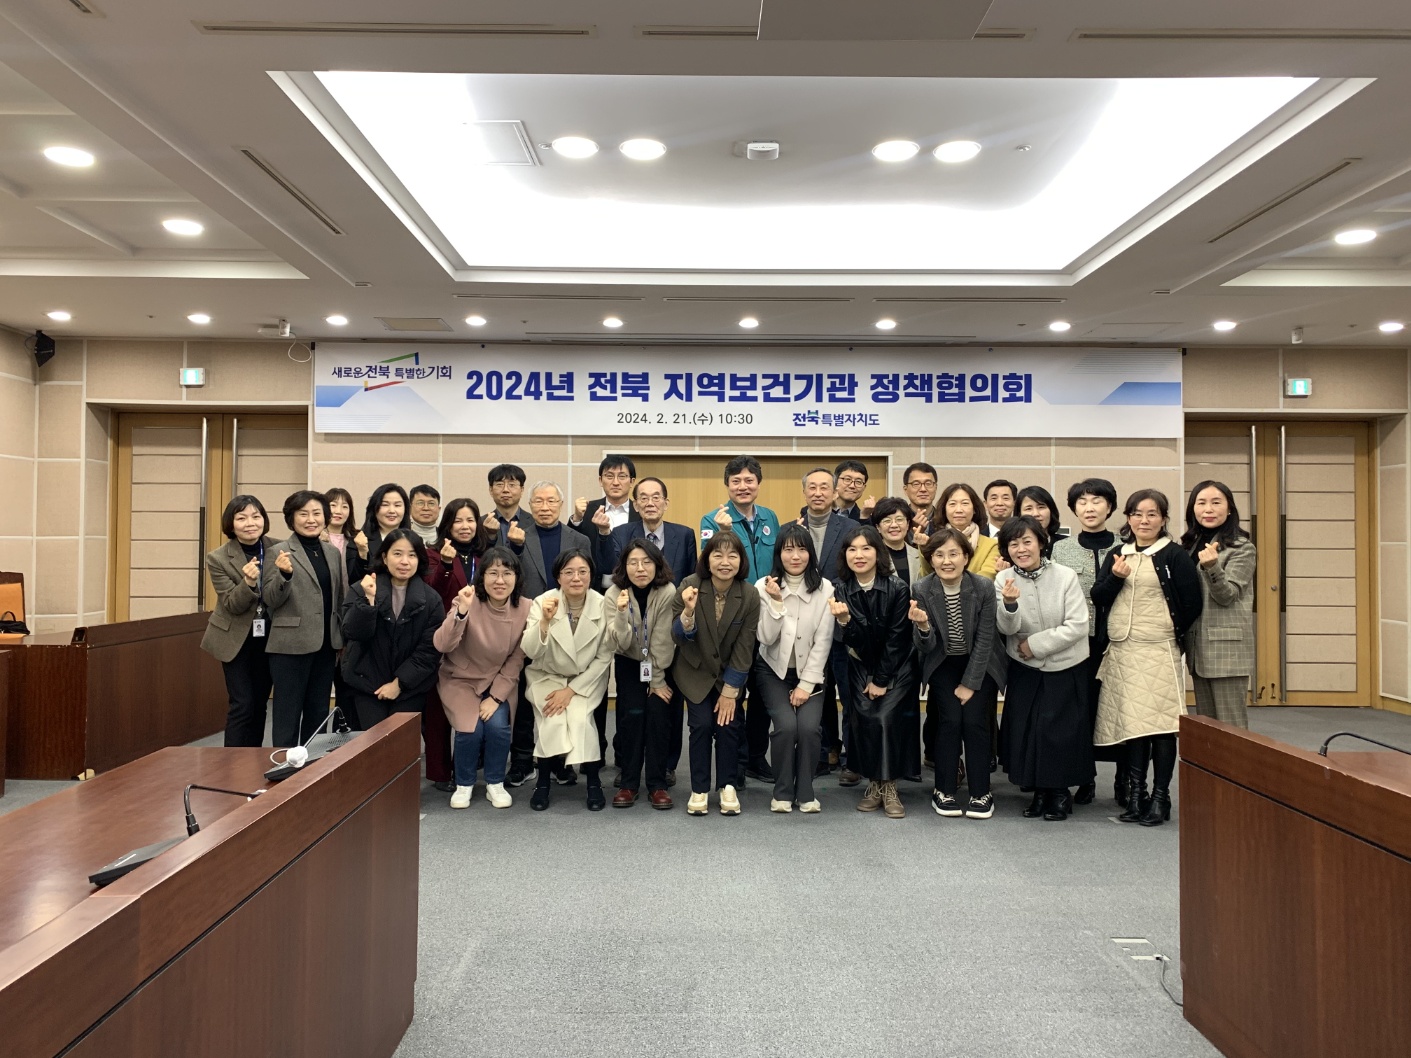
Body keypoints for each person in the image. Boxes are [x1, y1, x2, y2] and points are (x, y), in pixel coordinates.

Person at [1091, 489, 1203, 828]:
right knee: (1134, 728)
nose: (1144, 520)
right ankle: (1136, 796)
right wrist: (1116, 577)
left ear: (1164, 519)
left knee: (1162, 727)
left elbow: (1191, 604)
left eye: (1152, 514)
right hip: (1123, 651)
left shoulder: (1175, 555)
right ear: (1128, 518)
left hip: (1158, 649)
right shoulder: (1118, 553)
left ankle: (1160, 798)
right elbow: (1098, 596)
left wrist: (1167, 630)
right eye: (1137, 514)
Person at [591, 475, 696, 786]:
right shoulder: (621, 534)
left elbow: (690, 577)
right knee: (630, 710)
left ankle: (665, 768)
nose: (650, 503)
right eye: (644, 498)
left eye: (656, 497)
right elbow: (610, 570)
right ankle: (628, 767)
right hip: (631, 649)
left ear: (666, 502)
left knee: (666, 710)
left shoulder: (683, 534)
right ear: (635, 504)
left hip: (668, 641)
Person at [994, 517, 1093, 822]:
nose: (1021, 549)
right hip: (1025, 668)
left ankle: (1060, 793)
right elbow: (1006, 628)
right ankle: (1039, 792)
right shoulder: (1003, 579)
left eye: (1027, 541)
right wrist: (1009, 604)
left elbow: (1078, 625)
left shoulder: (1065, 575)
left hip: (1066, 664)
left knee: (1059, 731)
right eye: (1013, 544)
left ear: (1041, 542)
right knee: (1029, 730)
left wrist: (1036, 645)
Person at [911, 527, 1007, 819]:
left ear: (966, 557)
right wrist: (923, 627)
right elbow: (926, 646)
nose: (947, 561)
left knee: (976, 721)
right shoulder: (922, 588)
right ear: (931, 559)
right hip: (943, 663)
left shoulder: (983, 587)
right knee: (950, 721)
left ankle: (981, 792)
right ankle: (944, 790)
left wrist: (970, 683)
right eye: (939, 555)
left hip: (980, 662)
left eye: (954, 554)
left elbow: (986, 639)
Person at [503, 481, 591, 787]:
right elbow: (504, 573)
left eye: (551, 501)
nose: (545, 507)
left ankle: (558, 761)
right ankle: (522, 760)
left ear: (560, 504)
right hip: (529, 626)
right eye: (538, 501)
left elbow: (586, 580)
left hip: (568, 629)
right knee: (525, 698)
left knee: (558, 697)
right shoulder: (516, 535)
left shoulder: (578, 539)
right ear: (530, 505)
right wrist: (514, 548)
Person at [699, 454, 779, 785]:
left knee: (764, 691)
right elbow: (708, 563)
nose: (743, 486)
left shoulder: (770, 517)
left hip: (768, 614)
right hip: (734, 614)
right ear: (727, 485)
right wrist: (723, 532)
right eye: (736, 481)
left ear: (758, 484)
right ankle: (739, 761)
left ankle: (757, 756)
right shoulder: (712, 519)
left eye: (749, 480)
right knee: (736, 689)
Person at [671, 532, 761, 816]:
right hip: (694, 671)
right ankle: (699, 789)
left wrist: (730, 692)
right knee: (701, 725)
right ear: (706, 559)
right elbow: (677, 636)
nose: (725, 562)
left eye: (732, 556)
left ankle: (727, 785)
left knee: (728, 725)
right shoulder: (689, 585)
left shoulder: (749, 594)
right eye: (717, 555)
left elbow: (745, 647)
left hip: (728, 674)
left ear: (741, 561)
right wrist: (688, 612)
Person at [434, 546, 531, 810]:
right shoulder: (466, 600)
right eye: (493, 573)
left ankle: (495, 783)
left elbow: (517, 658)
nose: (500, 581)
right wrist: (461, 613)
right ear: (482, 577)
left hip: (499, 680)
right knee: (470, 728)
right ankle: (464, 783)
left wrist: (496, 697)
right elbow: (442, 644)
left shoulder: (526, 608)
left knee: (498, 727)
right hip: (461, 678)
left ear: (516, 577)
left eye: (507, 573)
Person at [520, 548, 616, 811]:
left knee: (580, 720)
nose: (576, 578)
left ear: (591, 575)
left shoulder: (602, 604)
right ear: (558, 577)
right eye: (569, 572)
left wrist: (572, 689)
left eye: (583, 571)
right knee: (552, 719)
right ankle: (543, 783)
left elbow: (604, 657)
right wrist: (544, 623)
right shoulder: (543, 601)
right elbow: (530, 651)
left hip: (585, 679)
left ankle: (594, 782)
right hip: (546, 676)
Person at [831, 524, 916, 819]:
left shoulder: (898, 587)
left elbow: (897, 639)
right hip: (860, 663)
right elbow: (856, 641)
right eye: (852, 549)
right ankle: (874, 784)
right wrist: (845, 622)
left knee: (885, 719)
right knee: (863, 719)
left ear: (878, 553)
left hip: (898, 666)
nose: (859, 555)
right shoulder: (841, 589)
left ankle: (889, 786)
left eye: (866, 548)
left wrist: (880, 680)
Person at [1051, 478, 1123, 805]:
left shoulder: (1126, 546)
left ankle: (1124, 778)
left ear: (1110, 507)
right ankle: (1085, 778)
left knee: (1118, 710)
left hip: (1118, 643)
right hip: (1077, 644)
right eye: (1082, 502)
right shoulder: (1061, 549)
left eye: (1096, 501)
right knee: (1079, 712)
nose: (1089, 508)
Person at [754, 524, 836, 813]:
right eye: (788, 550)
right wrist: (776, 603)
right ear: (779, 553)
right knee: (787, 727)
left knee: (809, 729)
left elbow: (823, 642)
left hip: (810, 674)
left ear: (810, 553)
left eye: (802, 549)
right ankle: (782, 792)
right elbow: (765, 638)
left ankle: (806, 791)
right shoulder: (764, 586)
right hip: (773, 671)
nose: (795, 556)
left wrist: (805, 685)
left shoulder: (826, 588)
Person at [339, 529, 443, 733]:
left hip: (410, 688)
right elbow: (352, 633)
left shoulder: (432, 600)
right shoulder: (362, 588)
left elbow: (429, 651)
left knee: (401, 744)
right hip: (366, 685)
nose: (405, 561)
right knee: (372, 744)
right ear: (385, 557)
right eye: (397, 554)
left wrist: (399, 683)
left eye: (412, 555)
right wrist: (368, 602)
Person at [265, 490, 346, 746]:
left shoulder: (332, 552)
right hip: (290, 646)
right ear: (291, 519)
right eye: (303, 514)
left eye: (316, 513)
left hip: (326, 645)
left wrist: (340, 636)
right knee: (287, 715)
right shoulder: (278, 551)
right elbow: (270, 599)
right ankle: (284, 763)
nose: (311, 519)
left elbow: (339, 596)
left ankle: (314, 763)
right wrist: (284, 575)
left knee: (318, 712)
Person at [421, 498, 492, 791]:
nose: (465, 526)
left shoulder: (484, 557)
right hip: (442, 637)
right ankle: (440, 773)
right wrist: (447, 565)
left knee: (472, 708)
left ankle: (468, 766)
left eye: (470, 520)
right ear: (447, 525)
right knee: (437, 714)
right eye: (458, 521)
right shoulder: (432, 554)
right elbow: (431, 593)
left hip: (476, 641)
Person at [201, 495, 279, 747]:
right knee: (242, 703)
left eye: (256, 516)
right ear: (231, 524)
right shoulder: (218, 558)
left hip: (268, 638)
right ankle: (231, 762)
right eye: (242, 518)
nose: (250, 523)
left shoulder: (279, 548)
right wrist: (248, 583)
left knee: (260, 703)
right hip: (235, 639)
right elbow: (232, 604)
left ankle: (252, 760)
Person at [607, 539, 678, 809]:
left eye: (647, 562)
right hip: (628, 662)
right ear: (624, 566)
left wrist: (656, 680)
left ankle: (658, 784)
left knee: (659, 718)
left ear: (657, 564)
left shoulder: (667, 591)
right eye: (633, 562)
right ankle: (628, 783)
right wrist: (621, 612)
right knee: (631, 718)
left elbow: (662, 639)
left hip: (660, 663)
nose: (640, 568)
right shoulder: (614, 593)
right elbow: (620, 642)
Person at [1181, 480, 1256, 728]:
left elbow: (1227, 595)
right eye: (1201, 503)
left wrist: (1212, 567)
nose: (1208, 509)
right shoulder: (1189, 545)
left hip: (1227, 651)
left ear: (1229, 508)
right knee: (1207, 729)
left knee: (1231, 729)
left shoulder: (1242, 548)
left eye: (1216, 502)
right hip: (1198, 648)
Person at [570, 454, 637, 559]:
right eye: (609, 476)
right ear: (600, 480)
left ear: (632, 481)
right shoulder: (588, 510)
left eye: (622, 476)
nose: (615, 482)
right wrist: (577, 518)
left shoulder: (640, 512)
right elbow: (571, 543)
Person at [933, 483, 999, 578]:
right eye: (952, 504)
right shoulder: (934, 543)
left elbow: (985, 579)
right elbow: (926, 576)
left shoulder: (991, 545)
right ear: (944, 510)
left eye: (965, 503)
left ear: (975, 509)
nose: (959, 510)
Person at [347, 483, 410, 581]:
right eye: (385, 505)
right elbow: (353, 581)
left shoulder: (414, 540)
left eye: (397, 505)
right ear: (374, 508)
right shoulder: (358, 541)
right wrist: (362, 554)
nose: (392, 510)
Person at [870, 496, 919, 587]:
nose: (894, 525)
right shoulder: (872, 556)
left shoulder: (919, 555)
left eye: (899, 519)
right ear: (878, 527)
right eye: (887, 521)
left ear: (908, 524)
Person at [1016, 485, 1067, 554]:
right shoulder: (1012, 547)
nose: (1036, 514)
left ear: (1051, 511)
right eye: (1028, 508)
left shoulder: (1067, 544)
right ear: (1019, 514)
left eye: (1041, 507)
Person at [322, 487, 355, 590]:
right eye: (333, 505)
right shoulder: (315, 538)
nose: (338, 511)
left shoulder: (355, 540)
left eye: (344, 507)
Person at [902, 462, 939, 541]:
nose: (923, 489)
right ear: (905, 490)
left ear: (935, 487)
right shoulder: (899, 520)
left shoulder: (944, 518)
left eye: (928, 483)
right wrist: (913, 531)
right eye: (916, 484)